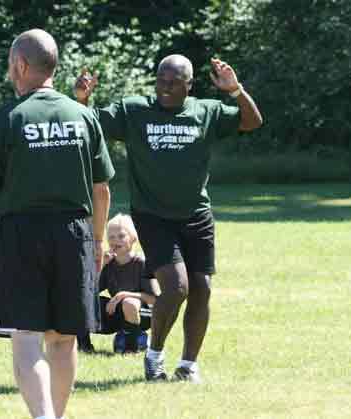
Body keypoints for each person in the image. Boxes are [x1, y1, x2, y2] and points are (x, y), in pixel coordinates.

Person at [74, 55, 262, 383]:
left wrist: (235, 90)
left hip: (196, 215)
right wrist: (83, 99)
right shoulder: (135, 110)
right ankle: (155, 354)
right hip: (153, 217)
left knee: (201, 289)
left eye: (173, 83)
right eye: (160, 80)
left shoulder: (206, 111)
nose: (164, 88)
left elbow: (252, 121)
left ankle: (188, 365)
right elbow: (91, 123)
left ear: (189, 86)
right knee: (176, 287)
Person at [0, 29, 114, 419]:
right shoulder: (83, 116)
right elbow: (101, 190)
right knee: (64, 340)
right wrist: (98, 242)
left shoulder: (7, 119)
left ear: (21, 65)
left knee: (27, 337)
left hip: (21, 234)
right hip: (74, 234)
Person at [77, 213, 159, 354]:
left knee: (129, 302)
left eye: (121, 236)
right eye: (111, 237)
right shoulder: (109, 264)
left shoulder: (142, 263)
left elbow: (155, 299)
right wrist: (101, 265)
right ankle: (84, 347)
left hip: (144, 313)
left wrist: (122, 295)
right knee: (80, 300)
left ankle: (131, 349)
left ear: (133, 239)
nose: (116, 241)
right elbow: (90, 291)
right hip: (117, 310)